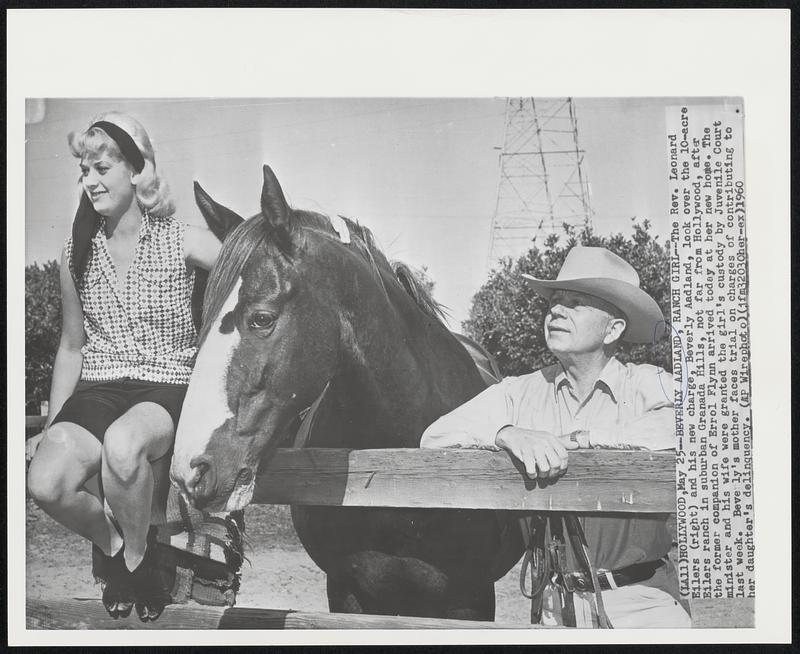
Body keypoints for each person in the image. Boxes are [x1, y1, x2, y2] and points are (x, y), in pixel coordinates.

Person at [421, 246, 691, 628]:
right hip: (552, 605)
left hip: (644, 603)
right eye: (555, 302)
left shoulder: (647, 383)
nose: (556, 311)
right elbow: (435, 436)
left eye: (576, 303)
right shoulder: (520, 391)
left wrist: (583, 439)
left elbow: (709, 422)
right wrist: (506, 433)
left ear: (613, 329)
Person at [25, 112, 221, 621]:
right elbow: (72, 346)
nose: (89, 182)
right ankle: (118, 547)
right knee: (46, 482)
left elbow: (247, 283)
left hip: (167, 385)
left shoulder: (185, 240)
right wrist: (51, 426)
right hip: (100, 385)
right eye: (83, 172)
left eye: (102, 168)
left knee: (124, 445)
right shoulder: (77, 253)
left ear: (138, 170)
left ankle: (138, 561)